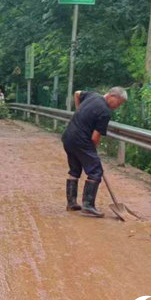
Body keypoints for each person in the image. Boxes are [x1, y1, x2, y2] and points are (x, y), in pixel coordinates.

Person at [62, 87, 128, 217]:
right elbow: (95, 137)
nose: (117, 107)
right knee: (96, 171)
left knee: (74, 170)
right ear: (112, 96)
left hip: (68, 137)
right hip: (81, 140)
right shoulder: (105, 112)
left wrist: (79, 111)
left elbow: (77, 93)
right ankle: (88, 206)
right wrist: (93, 151)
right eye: (118, 103)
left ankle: (71, 203)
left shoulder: (92, 95)